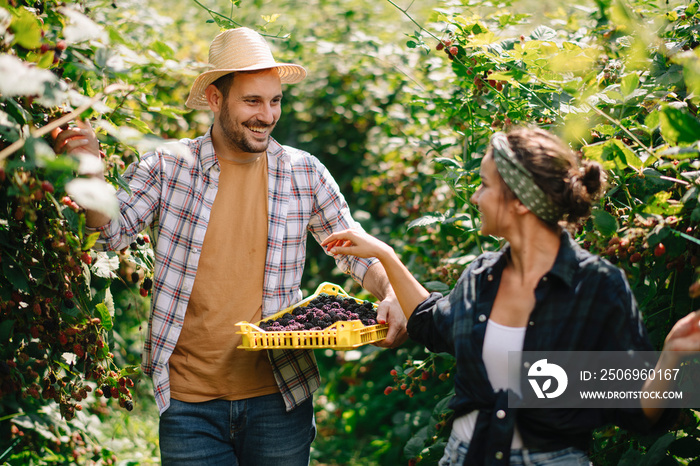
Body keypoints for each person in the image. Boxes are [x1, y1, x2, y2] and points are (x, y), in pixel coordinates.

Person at [53, 27, 406, 465]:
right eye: (252, 101)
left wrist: (391, 292)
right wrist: (88, 174)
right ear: (217, 99)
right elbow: (111, 234)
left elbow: (357, 253)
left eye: (275, 100)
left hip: (279, 397)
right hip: (189, 403)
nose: (267, 115)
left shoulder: (304, 173)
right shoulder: (168, 166)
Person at [322, 127, 700, 465]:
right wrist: (384, 255)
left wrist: (673, 353)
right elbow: (429, 324)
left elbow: (636, 410)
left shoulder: (596, 287)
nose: (474, 198)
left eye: (485, 185)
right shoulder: (482, 275)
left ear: (519, 201)